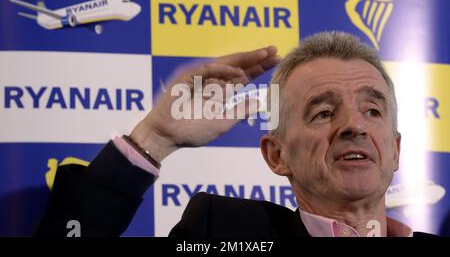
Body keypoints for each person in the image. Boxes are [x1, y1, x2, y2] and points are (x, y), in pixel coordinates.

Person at [34, 31, 436, 237]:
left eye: (372, 109)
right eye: (324, 111)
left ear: (396, 149)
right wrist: (154, 138)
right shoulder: (225, 232)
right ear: (277, 156)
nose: (354, 125)